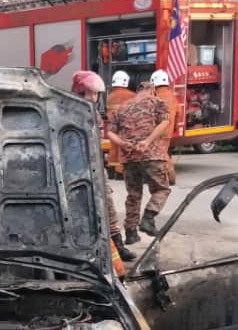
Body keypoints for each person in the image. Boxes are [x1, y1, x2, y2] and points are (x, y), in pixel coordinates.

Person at [71, 70, 134, 262]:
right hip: (75, 169)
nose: (94, 97)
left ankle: (117, 245)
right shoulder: (69, 112)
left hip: (96, 166)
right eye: (91, 93)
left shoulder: (95, 114)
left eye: (96, 93)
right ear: (81, 92)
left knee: (108, 206)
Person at [108, 81, 171, 242]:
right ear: (152, 91)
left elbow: (110, 133)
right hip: (152, 155)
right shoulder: (157, 101)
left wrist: (123, 143)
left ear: (137, 91)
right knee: (161, 189)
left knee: (133, 195)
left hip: (129, 157)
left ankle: (130, 233)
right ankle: (148, 219)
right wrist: (148, 141)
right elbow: (165, 122)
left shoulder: (123, 107)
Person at [150, 69, 178, 185]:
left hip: (158, 131)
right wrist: (174, 127)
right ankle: (162, 176)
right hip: (168, 131)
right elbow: (179, 113)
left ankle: (170, 177)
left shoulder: (155, 98)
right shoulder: (172, 96)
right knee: (162, 152)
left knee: (161, 154)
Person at [106, 71, 136, 178]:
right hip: (125, 126)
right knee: (123, 148)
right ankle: (119, 173)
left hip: (112, 127)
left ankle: (110, 171)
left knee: (113, 148)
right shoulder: (132, 95)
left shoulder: (110, 97)